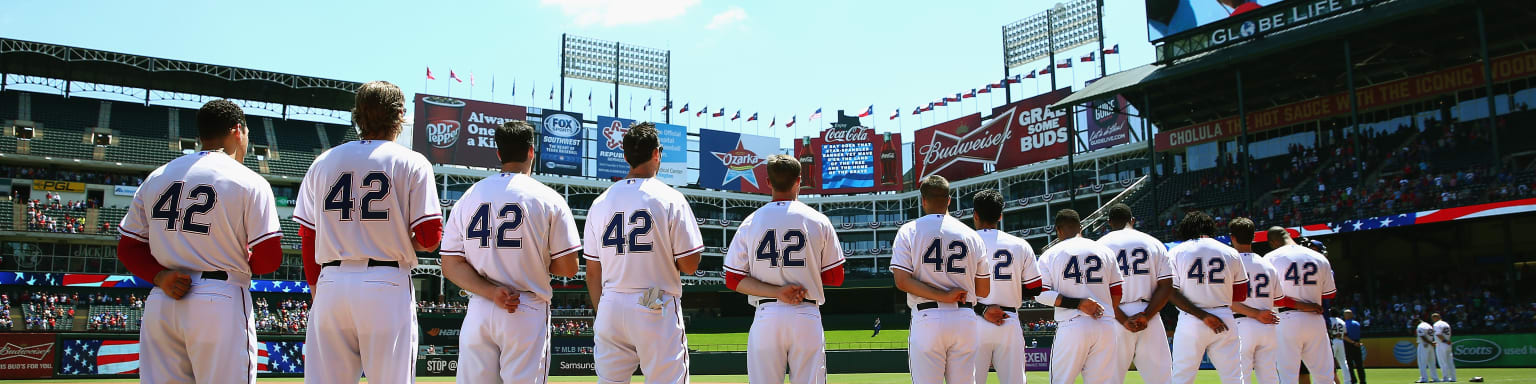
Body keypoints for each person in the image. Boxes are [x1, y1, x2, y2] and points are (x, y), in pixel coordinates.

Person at [115, 99, 283, 383]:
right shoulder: (248, 180)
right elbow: (269, 257)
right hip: (220, 296)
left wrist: (159, 276)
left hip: (164, 298)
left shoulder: (157, 176)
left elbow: (128, 248)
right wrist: (239, 258)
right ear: (237, 131)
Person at [294, 81, 442, 384]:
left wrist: (315, 287)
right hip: (386, 283)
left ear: (358, 115)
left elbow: (307, 235)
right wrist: (396, 236)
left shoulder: (323, 161)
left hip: (331, 283)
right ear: (400, 114)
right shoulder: (412, 162)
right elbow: (430, 238)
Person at [438, 121, 581, 383]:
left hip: (481, 306)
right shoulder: (549, 198)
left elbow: (450, 264)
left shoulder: (469, 196)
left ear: (499, 154)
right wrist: (536, 259)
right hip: (525, 306)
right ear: (531, 151)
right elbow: (569, 267)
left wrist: (491, 292)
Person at [583, 122, 705, 384]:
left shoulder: (599, 202)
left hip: (611, 302)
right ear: (657, 153)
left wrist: (603, 309)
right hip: (654, 300)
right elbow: (690, 264)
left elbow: (592, 273)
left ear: (625, 156)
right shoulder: (670, 198)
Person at [722, 154, 846, 384]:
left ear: (768, 182)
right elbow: (836, 277)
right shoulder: (818, 220)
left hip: (767, 316)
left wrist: (778, 291)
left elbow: (732, 279)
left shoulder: (751, 221)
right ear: (799, 180)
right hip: (806, 314)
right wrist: (804, 276)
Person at [889, 175, 990, 384]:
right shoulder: (972, 235)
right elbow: (983, 290)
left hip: (928, 318)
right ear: (949, 200)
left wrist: (943, 295)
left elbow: (902, 281)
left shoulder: (909, 231)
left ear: (923, 200)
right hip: (965, 319)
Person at [1036, 208, 1126, 384]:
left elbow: (1040, 294)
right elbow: (1117, 292)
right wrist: (1101, 310)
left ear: (1058, 230)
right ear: (1080, 227)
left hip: (1072, 324)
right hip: (1105, 324)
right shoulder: (1104, 251)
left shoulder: (1050, 254)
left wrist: (1079, 304)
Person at [1168, 210, 1249, 384]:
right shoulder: (1230, 252)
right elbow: (1241, 294)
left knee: (1182, 377)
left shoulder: (1176, 252)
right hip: (1224, 316)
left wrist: (1203, 315)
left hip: (1191, 319)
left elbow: (1170, 292)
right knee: (1233, 377)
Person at [1096, 203, 1174, 384]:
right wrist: (1147, 315)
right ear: (1133, 220)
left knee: (1109, 379)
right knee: (1162, 379)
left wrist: (1123, 319)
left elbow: (1098, 291)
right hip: (1149, 314)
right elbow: (1167, 286)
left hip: (1114, 315)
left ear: (1109, 223)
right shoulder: (1154, 243)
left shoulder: (1099, 246)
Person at [970, 189, 1042, 384]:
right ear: (1000, 215)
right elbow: (1035, 288)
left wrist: (983, 307)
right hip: (1008, 319)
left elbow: (956, 288)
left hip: (972, 320)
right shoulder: (1020, 244)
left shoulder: (964, 244)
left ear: (975, 214)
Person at [1266, 227, 1338, 384]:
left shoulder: (1270, 258)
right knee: (1325, 376)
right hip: (1315, 320)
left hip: (1285, 320)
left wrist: (1299, 304)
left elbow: (1268, 299)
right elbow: (1329, 294)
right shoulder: (1319, 257)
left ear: (1273, 242)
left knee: (1288, 377)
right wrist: (1308, 301)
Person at [1230, 218, 1281, 384]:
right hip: (1268, 325)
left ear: (1233, 238)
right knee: (1270, 377)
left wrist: (1255, 313)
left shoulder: (1229, 264)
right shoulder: (1267, 264)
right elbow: (1279, 300)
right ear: (1254, 237)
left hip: (1241, 325)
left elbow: (1225, 301)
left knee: (1239, 377)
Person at [1329, 310, 1353, 384]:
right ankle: (1348, 381)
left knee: (1329, 362)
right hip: (1340, 340)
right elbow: (1345, 333)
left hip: (1333, 340)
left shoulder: (1329, 320)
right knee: (1343, 362)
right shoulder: (1342, 321)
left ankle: (1331, 381)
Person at [1432, 313, 1456, 382]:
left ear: (1435, 318)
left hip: (1442, 344)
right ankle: (1453, 378)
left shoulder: (1436, 324)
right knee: (1450, 362)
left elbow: (1438, 334)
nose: (1433, 320)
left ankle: (1445, 377)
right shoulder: (1446, 324)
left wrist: (1444, 341)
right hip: (1448, 343)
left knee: (1442, 362)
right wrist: (1447, 341)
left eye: (1433, 318)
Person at [1343, 310, 1365, 384]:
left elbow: (1344, 336)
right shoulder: (1357, 323)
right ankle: (1362, 380)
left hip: (1348, 345)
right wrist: (1356, 342)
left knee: (1349, 365)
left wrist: (1353, 342)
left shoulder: (1344, 324)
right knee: (1359, 364)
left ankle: (1353, 380)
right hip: (1357, 344)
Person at [1416, 317, 1439, 383]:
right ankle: (1435, 378)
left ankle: (1424, 378)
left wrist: (1430, 342)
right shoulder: (1429, 325)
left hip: (1424, 344)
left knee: (1422, 362)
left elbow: (1422, 336)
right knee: (1432, 362)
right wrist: (1432, 342)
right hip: (1430, 345)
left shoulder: (1420, 326)